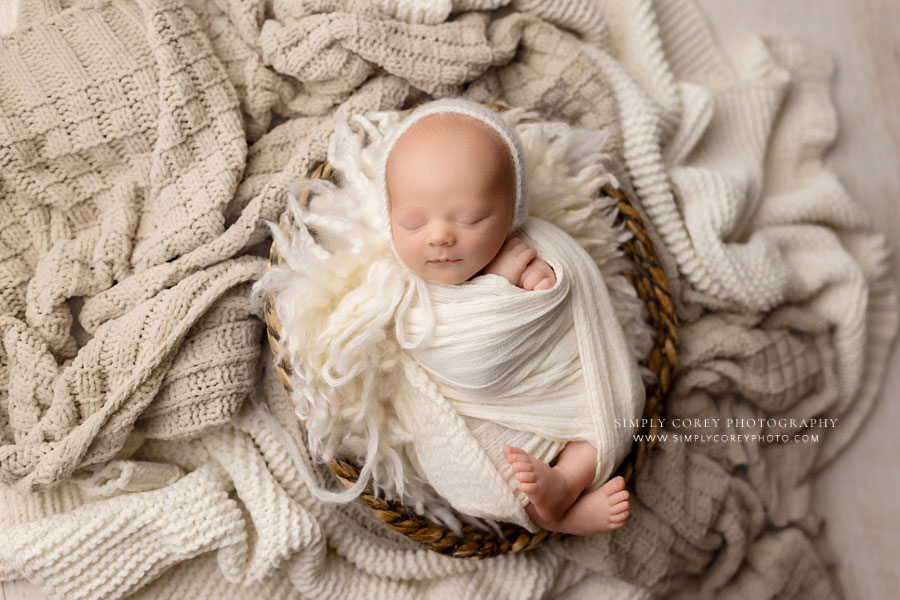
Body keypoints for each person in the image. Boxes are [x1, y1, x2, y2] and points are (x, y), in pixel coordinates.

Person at [381, 99, 631, 535]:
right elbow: (445, 353)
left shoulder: (534, 250)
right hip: (474, 420)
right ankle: (555, 513)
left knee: (613, 413)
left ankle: (567, 485)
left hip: (556, 396)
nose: (440, 236)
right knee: (501, 475)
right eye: (413, 222)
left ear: (513, 210)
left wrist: (535, 287)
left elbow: (565, 301)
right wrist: (497, 285)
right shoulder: (399, 286)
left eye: (471, 218)